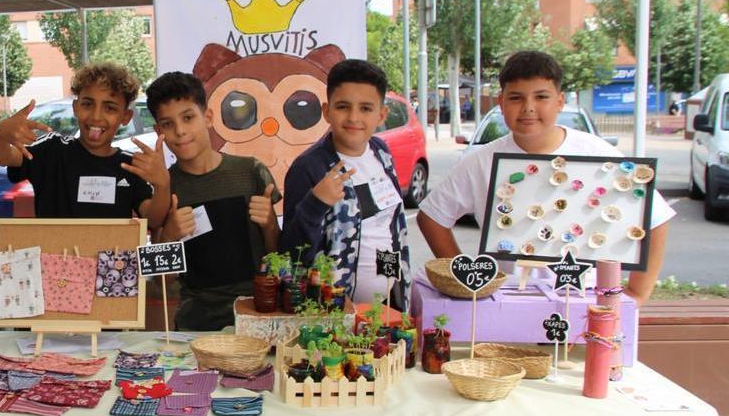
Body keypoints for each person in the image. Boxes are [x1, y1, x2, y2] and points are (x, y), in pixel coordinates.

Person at [0, 62, 169, 416]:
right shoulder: (52, 152)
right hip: (49, 295)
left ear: (126, 116)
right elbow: (2, 156)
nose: (97, 116)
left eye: (110, 107)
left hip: (108, 296)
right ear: (75, 106)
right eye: (88, 103)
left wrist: (162, 182)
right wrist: (0, 132)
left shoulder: (131, 167)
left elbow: (155, 220)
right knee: (47, 400)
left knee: (96, 396)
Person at [417, 50, 673, 304]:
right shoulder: (480, 161)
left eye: (541, 97)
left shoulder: (597, 153)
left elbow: (655, 218)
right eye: (516, 98)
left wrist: (638, 292)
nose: (528, 108)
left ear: (560, 101)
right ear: (501, 102)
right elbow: (431, 217)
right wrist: (469, 279)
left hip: (587, 303)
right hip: (508, 302)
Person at [146, 72, 281, 416]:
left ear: (207, 116)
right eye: (167, 123)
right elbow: (157, 267)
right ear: (158, 131)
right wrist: (169, 230)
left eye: (187, 117)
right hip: (195, 317)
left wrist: (270, 222)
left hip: (256, 317)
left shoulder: (250, 171)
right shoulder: (166, 186)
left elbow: (276, 254)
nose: (180, 131)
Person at [282, 59, 413, 310]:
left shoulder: (381, 153)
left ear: (381, 115)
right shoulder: (309, 168)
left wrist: (393, 290)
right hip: (333, 313)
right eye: (343, 106)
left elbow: (386, 226)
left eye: (365, 108)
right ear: (327, 110)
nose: (354, 117)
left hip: (385, 307)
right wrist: (315, 204)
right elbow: (293, 255)